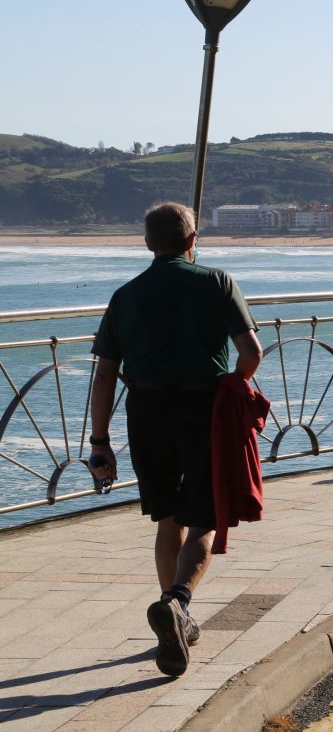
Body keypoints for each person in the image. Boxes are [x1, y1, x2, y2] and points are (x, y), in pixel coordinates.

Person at [88, 202, 263, 678]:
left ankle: (174, 620)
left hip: (146, 410)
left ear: (148, 244)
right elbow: (251, 353)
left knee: (168, 518)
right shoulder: (217, 282)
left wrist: (100, 442)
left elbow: (104, 376)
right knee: (205, 516)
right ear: (193, 240)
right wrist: (234, 385)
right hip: (203, 410)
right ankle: (178, 603)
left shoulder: (126, 295)